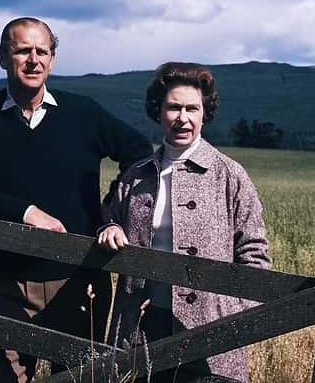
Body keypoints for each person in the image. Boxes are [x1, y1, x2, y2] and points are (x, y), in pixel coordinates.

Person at [0, 17, 152, 382]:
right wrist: (28, 213)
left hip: (81, 281)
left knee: (80, 378)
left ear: (53, 59)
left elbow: (140, 155)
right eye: (22, 51)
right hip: (10, 281)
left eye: (42, 51)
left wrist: (111, 213)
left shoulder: (84, 114)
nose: (33, 60)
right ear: (2, 57)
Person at [98, 62, 271, 383]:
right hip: (141, 329)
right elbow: (109, 217)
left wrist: (231, 321)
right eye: (173, 107)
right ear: (158, 111)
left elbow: (255, 255)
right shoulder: (135, 176)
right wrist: (110, 227)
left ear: (205, 113)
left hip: (211, 332)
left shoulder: (229, 175)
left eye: (192, 108)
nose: (183, 118)